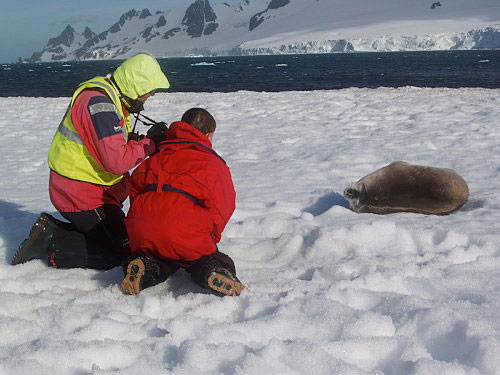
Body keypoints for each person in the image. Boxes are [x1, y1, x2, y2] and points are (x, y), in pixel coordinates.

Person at [11, 52, 170, 270]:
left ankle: (62, 231)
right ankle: (53, 240)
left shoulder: (107, 94)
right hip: (83, 196)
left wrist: (136, 141)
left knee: (120, 238)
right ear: (135, 86)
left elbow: (101, 142)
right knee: (123, 251)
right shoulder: (100, 105)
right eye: (149, 90)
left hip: (82, 189)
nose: (151, 95)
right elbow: (116, 161)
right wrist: (150, 144)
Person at [120, 108, 245, 296]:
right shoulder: (213, 164)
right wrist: (208, 237)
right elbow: (223, 205)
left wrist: (141, 224)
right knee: (202, 259)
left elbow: (135, 189)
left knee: (156, 258)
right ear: (208, 134)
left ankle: (142, 268)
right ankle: (215, 271)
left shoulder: (157, 157)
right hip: (185, 231)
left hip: (143, 230)